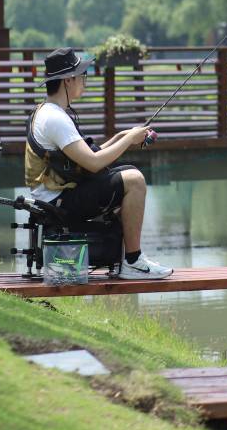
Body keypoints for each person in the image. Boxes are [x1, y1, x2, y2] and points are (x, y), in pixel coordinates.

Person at [24, 47, 173, 279]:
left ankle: (128, 258)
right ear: (68, 80)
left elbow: (84, 158)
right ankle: (133, 261)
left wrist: (124, 136)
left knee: (126, 173)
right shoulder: (55, 119)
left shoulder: (47, 112)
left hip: (56, 198)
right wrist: (130, 139)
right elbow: (93, 164)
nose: (84, 80)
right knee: (134, 180)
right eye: (81, 75)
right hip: (58, 204)